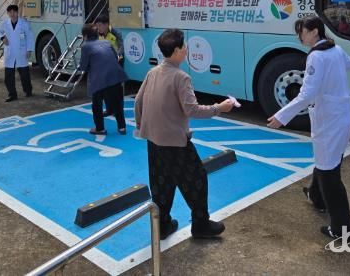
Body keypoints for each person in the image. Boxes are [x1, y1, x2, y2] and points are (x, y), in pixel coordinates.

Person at [267, 16, 350, 241]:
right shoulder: (335, 49)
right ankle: (316, 196)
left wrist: (282, 116)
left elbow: (306, 94)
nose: (300, 36)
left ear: (315, 32)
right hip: (342, 118)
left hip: (328, 122)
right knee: (329, 162)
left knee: (329, 174)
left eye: (302, 32)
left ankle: (343, 229)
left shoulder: (316, 56)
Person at [135, 28, 234, 240]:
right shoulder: (181, 77)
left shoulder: (153, 72)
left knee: (161, 184)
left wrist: (142, 127)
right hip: (175, 142)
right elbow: (192, 110)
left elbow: (138, 101)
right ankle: (200, 224)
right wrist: (219, 107)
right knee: (196, 178)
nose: (187, 49)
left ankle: (162, 226)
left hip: (153, 141)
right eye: (184, 46)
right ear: (177, 51)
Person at [78, 24, 128, 135]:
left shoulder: (86, 46)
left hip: (99, 79)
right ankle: (122, 127)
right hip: (116, 75)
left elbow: (83, 66)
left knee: (97, 105)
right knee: (118, 103)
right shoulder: (106, 42)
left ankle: (100, 128)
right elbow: (115, 57)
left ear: (85, 36)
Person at [0, 4, 35, 102]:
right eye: (10, 12)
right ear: (7, 13)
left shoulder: (24, 23)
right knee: (9, 76)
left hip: (21, 52)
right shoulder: (5, 23)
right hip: (10, 52)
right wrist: (2, 38)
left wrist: (29, 50)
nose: (12, 14)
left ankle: (28, 91)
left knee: (24, 74)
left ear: (17, 12)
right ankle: (12, 94)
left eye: (14, 12)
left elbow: (30, 36)